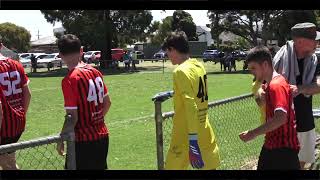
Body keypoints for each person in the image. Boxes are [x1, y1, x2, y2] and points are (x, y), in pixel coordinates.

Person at [161, 31, 220, 170]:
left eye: (167, 52)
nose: (167, 56)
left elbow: (190, 105)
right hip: (203, 127)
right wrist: (174, 93)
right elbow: (194, 93)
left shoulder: (180, 71)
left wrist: (192, 140)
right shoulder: (199, 66)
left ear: (173, 49)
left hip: (185, 133)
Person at [56, 34, 112, 170]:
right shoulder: (95, 72)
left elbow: (72, 118)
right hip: (102, 136)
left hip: (82, 142)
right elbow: (108, 103)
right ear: (81, 51)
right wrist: (95, 120)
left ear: (61, 55)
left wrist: (61, 138)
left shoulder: (70, 80)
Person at [239, 46, 300, 170]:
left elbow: (281, 118)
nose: (252, 72)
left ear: (265, 64)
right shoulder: (270, 84)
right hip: (274, 146)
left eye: (254, 68)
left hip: (281, 150)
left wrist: (253, 133)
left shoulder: (276, 85)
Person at [272, 22, 320, 169]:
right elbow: (263, 86)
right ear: (300, 41)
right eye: (314, 40)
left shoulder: (315, 60)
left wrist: (299, 89)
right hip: (283, 124)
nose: (317, 43)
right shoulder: (278, 60)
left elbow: (318, 85)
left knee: (302, 160)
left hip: (305, 121)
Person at [0, 35, 32, 170]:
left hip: (3, 128)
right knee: (10, 163)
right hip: (17, 124)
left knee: (8, 164)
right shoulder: (16, 64)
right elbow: (28, 94)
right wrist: (20, 115)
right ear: (1, 45)